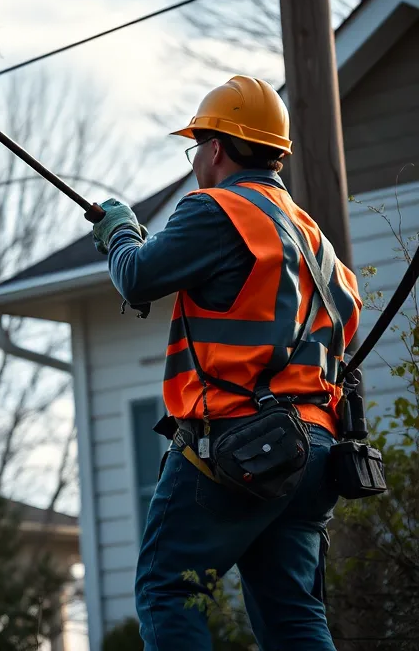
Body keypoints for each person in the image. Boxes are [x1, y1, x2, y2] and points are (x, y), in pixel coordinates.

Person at [91, 76, 362, 651]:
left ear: (216, 148)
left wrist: (119, 234)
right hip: (315, 454)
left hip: (239, 445)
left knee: (169, 590)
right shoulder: (315, 241)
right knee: (293, 615)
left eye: (196, 149)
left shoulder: (218, 210)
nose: (196, 163)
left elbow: (139, 273)